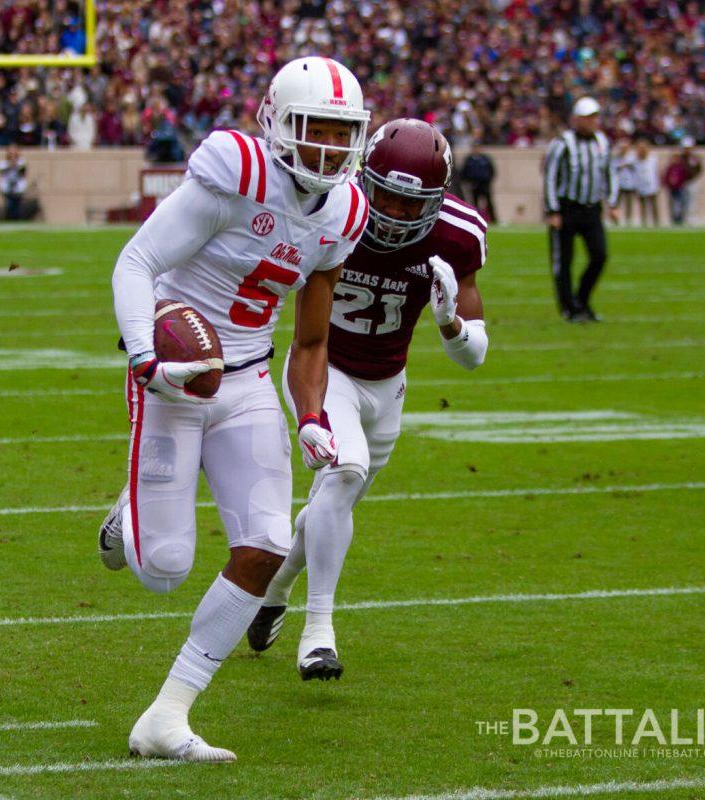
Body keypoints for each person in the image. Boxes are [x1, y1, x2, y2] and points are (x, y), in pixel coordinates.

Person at [98, 56, 371, 763]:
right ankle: (126, 517)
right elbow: (135, 262)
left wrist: (312, 416)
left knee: (268, 544)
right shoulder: (237, 172)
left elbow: (312, 338)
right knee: (162, 568)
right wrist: (144, 357)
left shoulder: (345, 210)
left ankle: (167, 714)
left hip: (248, 377)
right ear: (278, 123)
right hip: (179, 374)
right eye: (315, 130)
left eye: (343, 135)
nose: (329, 149)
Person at [248, 119, 487, 680]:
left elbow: (474, 356)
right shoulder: (333, 211)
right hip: (322, 365)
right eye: (388, 196)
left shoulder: (457, 234)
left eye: (413, 203)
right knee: (345, 472)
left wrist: (450, 322)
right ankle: (318, 634)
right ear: (365, 179)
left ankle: (275, 589)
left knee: (334, 501)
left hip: (389, 385)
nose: (398, 212)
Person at [543, 97, 618, 323]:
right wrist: (553, 210)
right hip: (566, 209)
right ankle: (570, 309)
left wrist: (612, 203)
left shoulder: (602, 142)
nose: (593, 121)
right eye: (588, 117)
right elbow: (550, 177)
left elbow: (610, 173)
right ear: (576, 119)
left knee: (600, 255)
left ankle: (582, 300)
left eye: (595, 116)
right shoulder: (562, 143)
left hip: (591, 209)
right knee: (563, 262)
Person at [664, 139, 702, 226]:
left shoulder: (694, 158)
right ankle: (681, 218)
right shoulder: (680, 158)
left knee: (692, 201)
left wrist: (693, 176)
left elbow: (699, 169)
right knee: (681, 202)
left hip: (691, 181)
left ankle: (691, 219)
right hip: (682, 183)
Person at [460, 148, 497, 222]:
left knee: (489, 202)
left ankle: (493, 219)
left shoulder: (485, 158)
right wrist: (468, 182)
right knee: (474, 202)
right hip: (474, 184)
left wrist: (488, 181)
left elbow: (492, 170)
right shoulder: (469, 159)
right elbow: (464, 172)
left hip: (484, 184)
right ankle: (475, 219)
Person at [633, 139, 660, 227]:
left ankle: (656, 223)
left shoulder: (652, 160)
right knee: (643, 206)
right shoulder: (635, 161)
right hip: (640, 186)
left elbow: (655, 173)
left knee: (654, 206)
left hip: (652, 185)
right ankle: (644, 222)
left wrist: (657, 185)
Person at [0, 144, 27, 220]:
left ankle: (16, 219)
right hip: (7, 188)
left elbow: (22, 173)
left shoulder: (21, 162)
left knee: (17, 206)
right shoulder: (3, 163)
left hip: (18, 188)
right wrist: (10, 164)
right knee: (9, 206)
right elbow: (1, 172)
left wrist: (16, 163)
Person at [614, 141, 637, 225]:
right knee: (617, 202)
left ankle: (629, 218)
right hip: (619, 183)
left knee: (629, 202)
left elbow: (635, 168)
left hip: (629, 183)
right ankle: (615, 218)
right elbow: (614, 168)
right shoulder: (617, 157)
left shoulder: (631, 157)